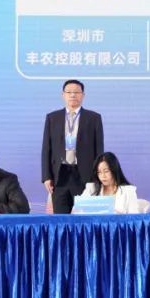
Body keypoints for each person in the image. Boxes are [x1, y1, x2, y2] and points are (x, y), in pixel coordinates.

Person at [41, 79, 104, 214]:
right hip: (60, 175)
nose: (73, 95)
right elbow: (46, 149)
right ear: (63, 95)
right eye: (69, 92)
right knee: (61, 219)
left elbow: (99, 150)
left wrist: (97, 177)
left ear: (83, 95)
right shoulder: (52, 118)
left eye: (76, 92)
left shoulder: (94, 118)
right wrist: (46, 176)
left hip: (85, 175)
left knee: (84, 217)